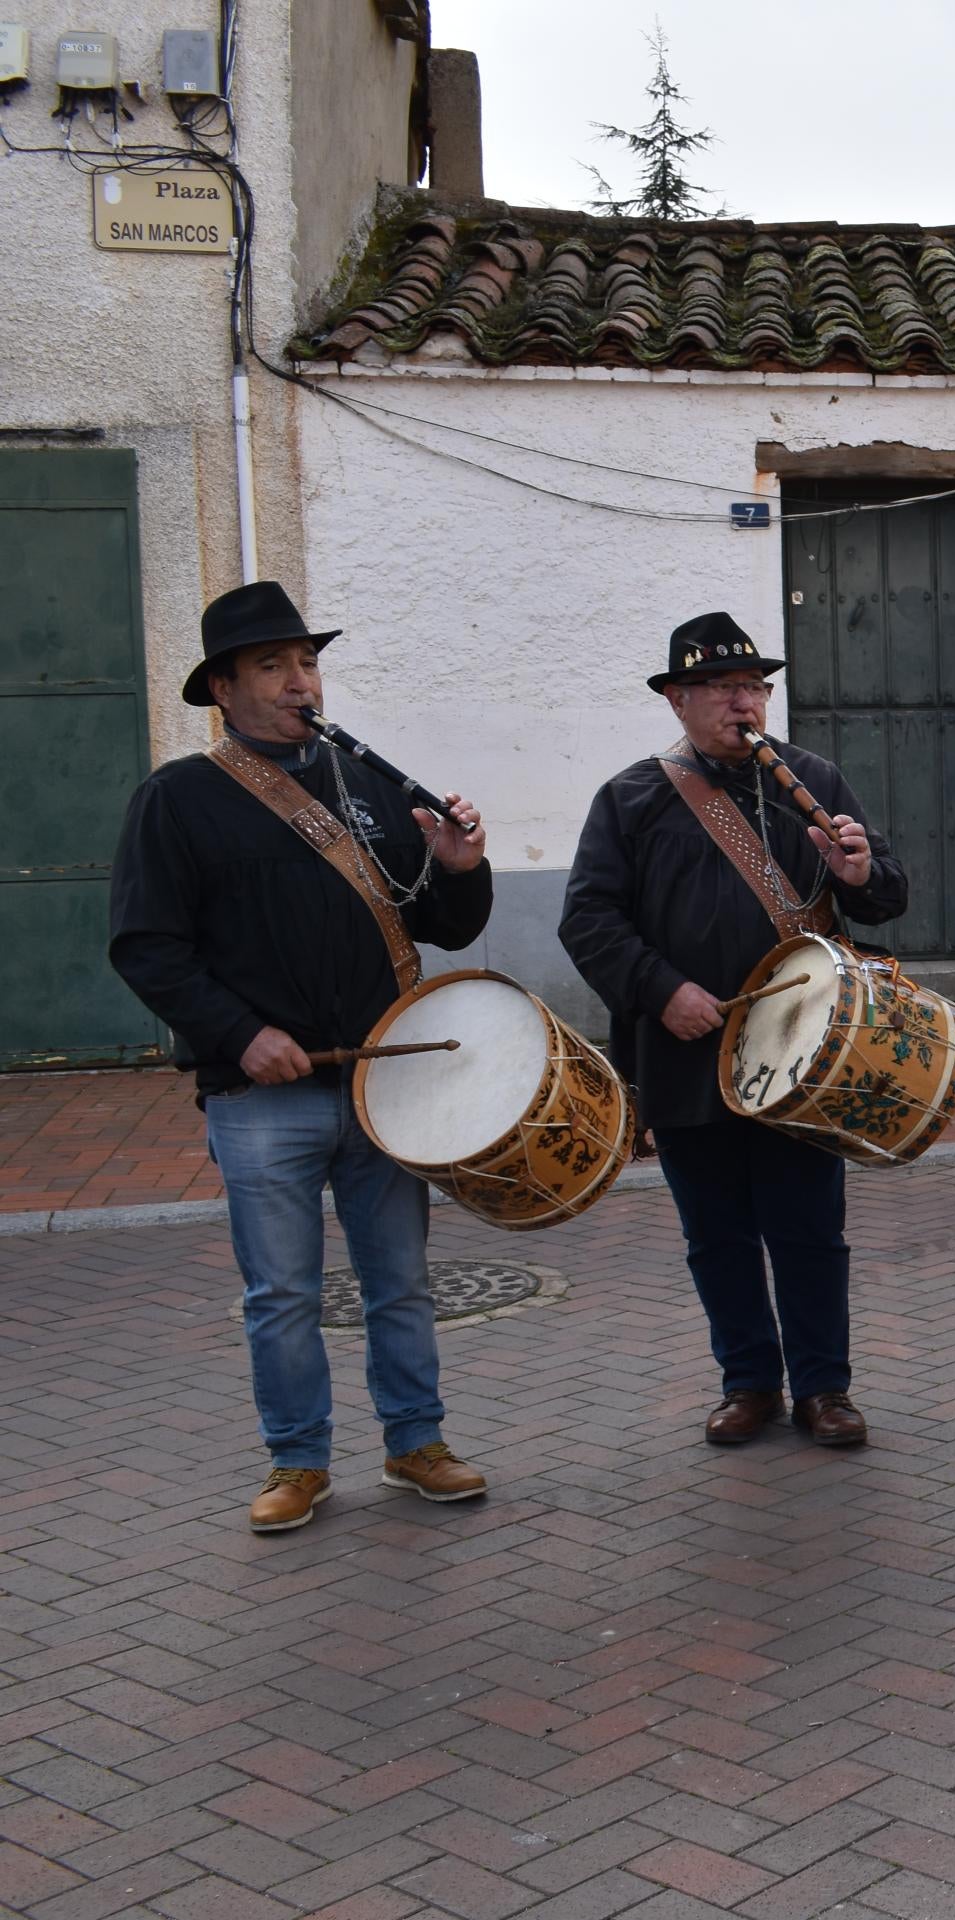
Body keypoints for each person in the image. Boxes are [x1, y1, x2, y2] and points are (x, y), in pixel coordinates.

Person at [108, 581, 496, 1532]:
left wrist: (460, 867)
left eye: (308, 662)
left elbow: (441, 926)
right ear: (225, 688)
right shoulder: (178, 800)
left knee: (399, 1279)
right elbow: (147, 946)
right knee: (280, 1293)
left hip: (379, 1083)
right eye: (274, 666)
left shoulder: (364, 784)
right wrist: (239, 1033)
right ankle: (298, 1460)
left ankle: (417, 1442)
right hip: (259, 1095)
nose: (299, 682)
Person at [559, 612, 906, 1450]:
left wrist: (863, 873)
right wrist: (660, 987)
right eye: (719, 687)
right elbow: (588, 920)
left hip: (804, 1051)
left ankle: (825, 1388)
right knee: (717, 1236)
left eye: (752, 686)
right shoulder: (630, 797)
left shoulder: (813, 777)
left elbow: (885, 893)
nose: (740, 702)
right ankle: (748, 1381)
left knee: (809, 1231)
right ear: (678, 700)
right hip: (684, 1051)